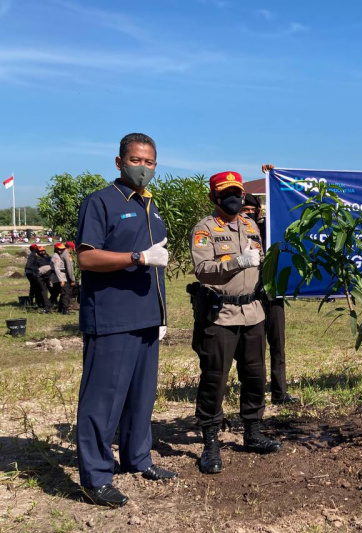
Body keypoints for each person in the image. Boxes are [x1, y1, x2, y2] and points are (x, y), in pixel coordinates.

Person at [75, 133, 176, 508]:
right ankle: (96, 478)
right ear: (119, 162)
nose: (143, 168)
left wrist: (162, 315)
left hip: (148, 319)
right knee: (102, 402)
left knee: (140, 398)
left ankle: (137, 458)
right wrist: (136, 258)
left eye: (150, 162)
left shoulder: (153, 208)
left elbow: (158, 269)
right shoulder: (101, 202)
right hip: (113, 319)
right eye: (136, 160)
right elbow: (86, 259)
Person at [189, 171, 281, 476]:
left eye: (238, 193)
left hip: (253, 312)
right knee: (215, 379)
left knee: (255, 375)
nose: (234, 198)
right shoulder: (205, 229)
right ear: (213, 197)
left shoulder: (250, 224)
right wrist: (236, 262)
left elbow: (261, 260)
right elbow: (203, 270)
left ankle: (252, 432)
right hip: (221, 315)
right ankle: (210, 442)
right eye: (227, 193)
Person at [245, 186, 298, 405]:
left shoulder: (268, 227)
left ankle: (280, 392)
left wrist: (274, 182)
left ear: (259, 212)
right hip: (248, 296)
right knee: (253, 349)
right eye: (244, 210)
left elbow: (283, 212)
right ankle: (253, 392)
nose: (248, 213)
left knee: (277, 344)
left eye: (252, 210)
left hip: (272, 293)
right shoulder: (236, 230)